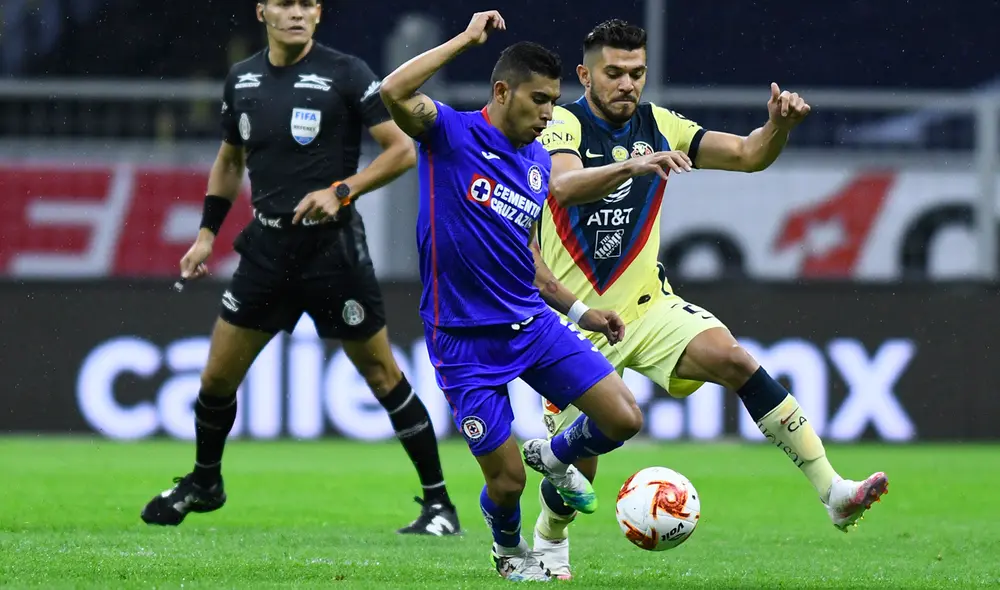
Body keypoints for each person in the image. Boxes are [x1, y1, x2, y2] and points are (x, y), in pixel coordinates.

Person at [532, 19, 889, 578]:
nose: (628, 84)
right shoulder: (561, 122)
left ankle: (833, 492)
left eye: (637, 73)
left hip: (647, 308)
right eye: (614, 73)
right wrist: (636, 164)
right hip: (570, 323)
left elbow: (748, 155)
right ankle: (549, 539)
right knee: (584, 465)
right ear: (585, 75)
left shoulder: (661, 124)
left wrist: (778, 127)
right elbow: (563, 185)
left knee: (735, 359)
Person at [140, 0, 461, 537]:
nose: (297, 13)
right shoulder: (240, 80)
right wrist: (204, 236)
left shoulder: (347, 73)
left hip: (332, 253)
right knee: (216, 377)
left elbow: (401, 151)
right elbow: (229, 160)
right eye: (285, 3)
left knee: (383, 375)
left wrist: (343, 190)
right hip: (267, 251)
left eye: (307, 4)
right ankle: (204, 482)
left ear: (318, 13)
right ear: (262, 10)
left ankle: (438, 505)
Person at [379, 11, 645, 582]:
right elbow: (393, 90)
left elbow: (529, 256)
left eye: (555, 102)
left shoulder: (536, 161)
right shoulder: (447, 133)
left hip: (530, 325)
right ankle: (508, 551)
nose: (549, 114)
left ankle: (553, 454)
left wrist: (578, 310)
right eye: (540, 100)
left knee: (623, 418)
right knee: (506, 483)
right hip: (463, 343)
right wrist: (465, 40)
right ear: (502, 91)